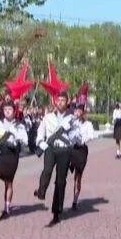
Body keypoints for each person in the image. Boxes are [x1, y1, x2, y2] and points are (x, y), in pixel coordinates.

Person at [34, 92, 75, 226]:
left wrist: (72, 132)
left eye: (63, 100)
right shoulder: (48, 117)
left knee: (60, 181)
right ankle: (41, 191)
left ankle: (57, 211)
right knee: (47, 171)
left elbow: (77, 136)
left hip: (64, 150)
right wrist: (41, 142)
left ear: (67, 102)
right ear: (55, 102)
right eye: (59, 100)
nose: (60, 102)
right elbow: (41, 132)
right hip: (50, 148)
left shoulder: (71, 119)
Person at [68, 103, 97, 210]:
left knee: (78, 176)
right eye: (75, 111)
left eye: (79, 111)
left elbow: (91, 135)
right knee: (63, 170)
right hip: (71, 149)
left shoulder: (87, 124)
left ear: (83, 113)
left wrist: (83, 139)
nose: (77, 113)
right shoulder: (70, 122)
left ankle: (75, 199)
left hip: (81, 150)